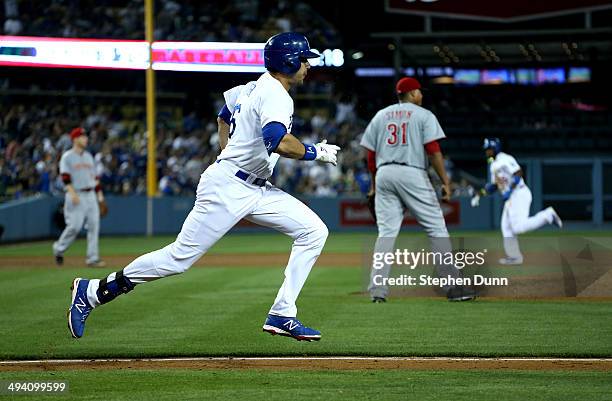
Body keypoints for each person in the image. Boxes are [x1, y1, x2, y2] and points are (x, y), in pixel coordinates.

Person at [67, 32, 340, 342]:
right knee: (178, 258)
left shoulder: (253, 86)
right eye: (304, 59)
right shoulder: (276, 94)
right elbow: (277, 141)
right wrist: (315, 152)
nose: (308, 65)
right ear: (288, 61)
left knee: (313, 231)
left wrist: (226, 151)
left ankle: (282, 313)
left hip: (253, 188)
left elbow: (223, 115)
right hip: (228, 188)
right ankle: (93, 292)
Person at [361, 77, 476, 303]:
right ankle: (453, 286)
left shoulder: (380, 115)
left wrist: (374, 185)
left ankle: (377, 291)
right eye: (419, 92)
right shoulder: (424, 115)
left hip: (384, 174)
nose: (421, 95)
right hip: (412, 172)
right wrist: (445, 181)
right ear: (412, 93)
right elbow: (433, 150)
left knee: (386, 234)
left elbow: (371, 156)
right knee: (436, 228)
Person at [471, 138, 562, 264]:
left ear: (495, 149)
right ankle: (514, 257)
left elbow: (518, 173)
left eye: (489, 149)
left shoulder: (504, 159)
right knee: (506, 227)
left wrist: (509, 190)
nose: (487, 152)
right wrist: (479, 194)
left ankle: (548, 216)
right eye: (486, 150)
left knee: (518, 227)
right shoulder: (493, 165)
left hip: (518, 193)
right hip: (512, 197)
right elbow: (494, 186)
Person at [53, 128, 106, 267]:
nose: (86, 139)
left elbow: (95, 178)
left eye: (85, 136)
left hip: (91, 195)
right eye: (82, 136)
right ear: (75, 139)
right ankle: (59, 249)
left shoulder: (89, 156)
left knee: (94, 226)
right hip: (76, 194)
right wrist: (72, 193)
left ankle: (92, 258)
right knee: (74, 227)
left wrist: (100, 197)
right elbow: (65, 177)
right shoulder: (67, 157)